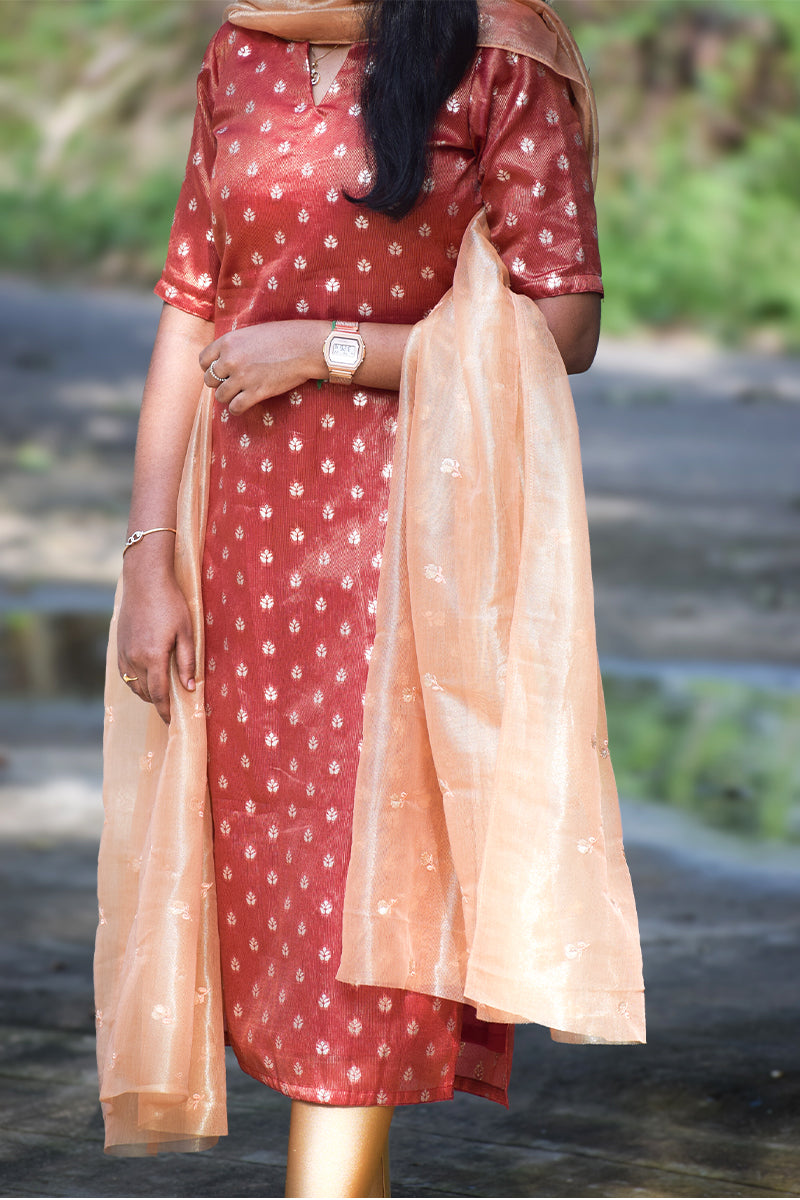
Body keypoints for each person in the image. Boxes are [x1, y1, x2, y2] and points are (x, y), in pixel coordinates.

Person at [109, 0, 612, 1193]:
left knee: (359, 918)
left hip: (405, 549)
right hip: (238, 550)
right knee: (276, 912)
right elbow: (192, 301)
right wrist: (145, 558)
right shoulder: (245, 45)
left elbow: (564, 321)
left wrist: (330, 346)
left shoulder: (494, 54)